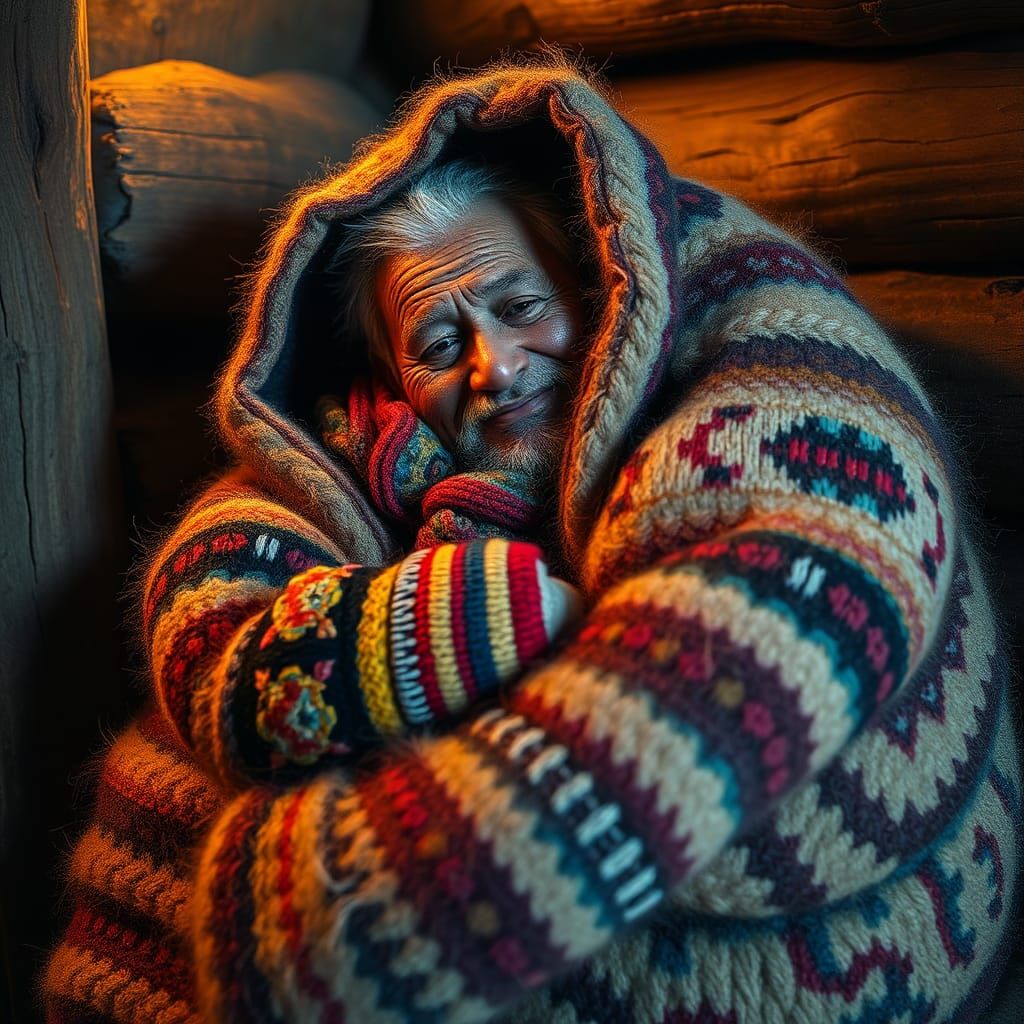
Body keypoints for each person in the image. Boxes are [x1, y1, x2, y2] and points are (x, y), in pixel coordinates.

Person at [44, 57, 1020, 1023]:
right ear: (394, 383)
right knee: (155, 778)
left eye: (519, 306)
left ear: (600, 284)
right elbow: (224, 585)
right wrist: (463, 618)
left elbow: (790, 603)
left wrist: (361, 903)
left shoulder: (754, 357)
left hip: (806, 899)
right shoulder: (383, 449)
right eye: (437, 342)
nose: (494, 366)